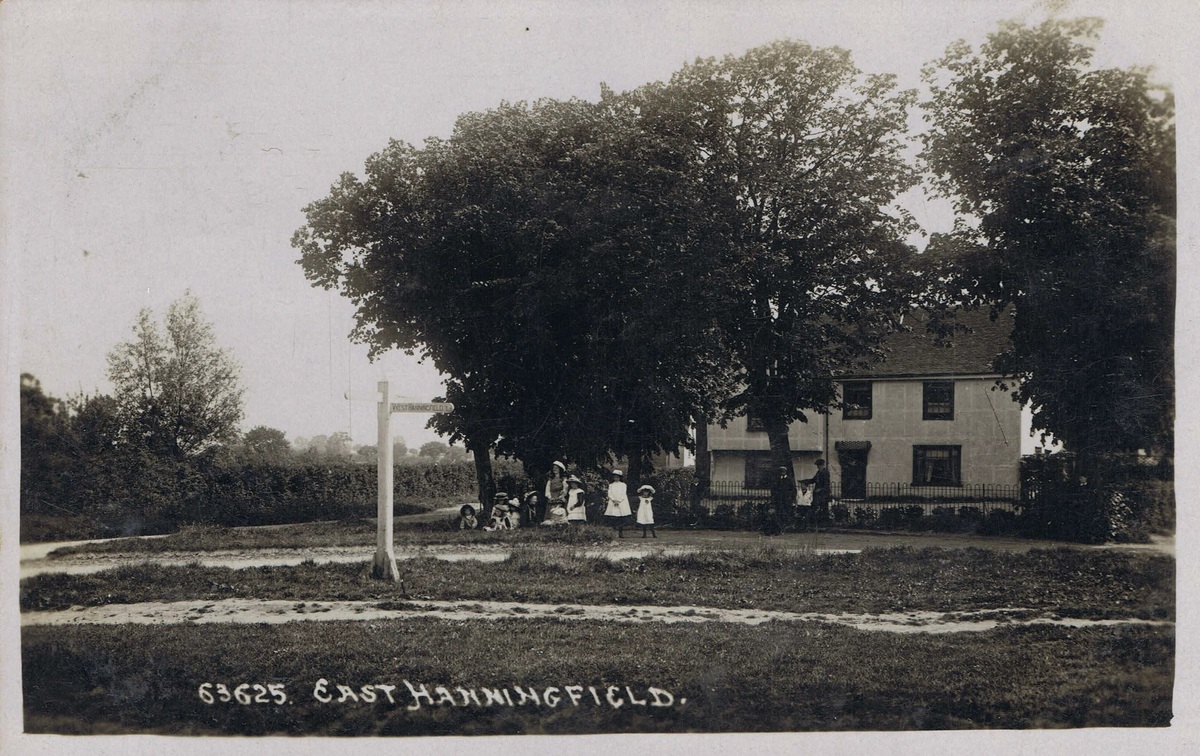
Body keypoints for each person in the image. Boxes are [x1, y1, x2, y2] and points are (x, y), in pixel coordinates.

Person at [800, 459, 831, 524]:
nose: (818, 467)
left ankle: (825, 522)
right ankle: (817, 521)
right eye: (817, 465)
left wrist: (821, 489)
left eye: (819, 465)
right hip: (817, 493)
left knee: (823, 507)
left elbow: (827, 484)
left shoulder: (826, 473)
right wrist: (804, 481)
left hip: (824, 494)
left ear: (822, 465)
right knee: (816, 506)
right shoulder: (818, 472)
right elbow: (813, 480)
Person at [604, 469, 633, 537]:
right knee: (613, 517)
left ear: (620, 478)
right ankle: (613, 531)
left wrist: (618, 501)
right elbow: (609, 493)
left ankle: (621, 532)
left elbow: (623, 493)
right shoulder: (611, 485)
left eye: (617, 477)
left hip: (621, 502)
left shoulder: (623, 485)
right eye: (615, 477)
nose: (616, 478)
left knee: (621, 517)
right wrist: (613, 500)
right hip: (613, 502)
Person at [765, 466, 793, 536]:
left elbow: (792, 490)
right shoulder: (777, 480)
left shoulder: (789, 480)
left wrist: (789, 497)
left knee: (784, 515)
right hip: (778, 500)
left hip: (786, 501)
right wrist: (774, 497)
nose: (782, 473)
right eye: (781, 471)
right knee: (778, 515)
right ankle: (777, 529)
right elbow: (773, 489)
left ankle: (783, 529)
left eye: (784, 471)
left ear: (786, 472)